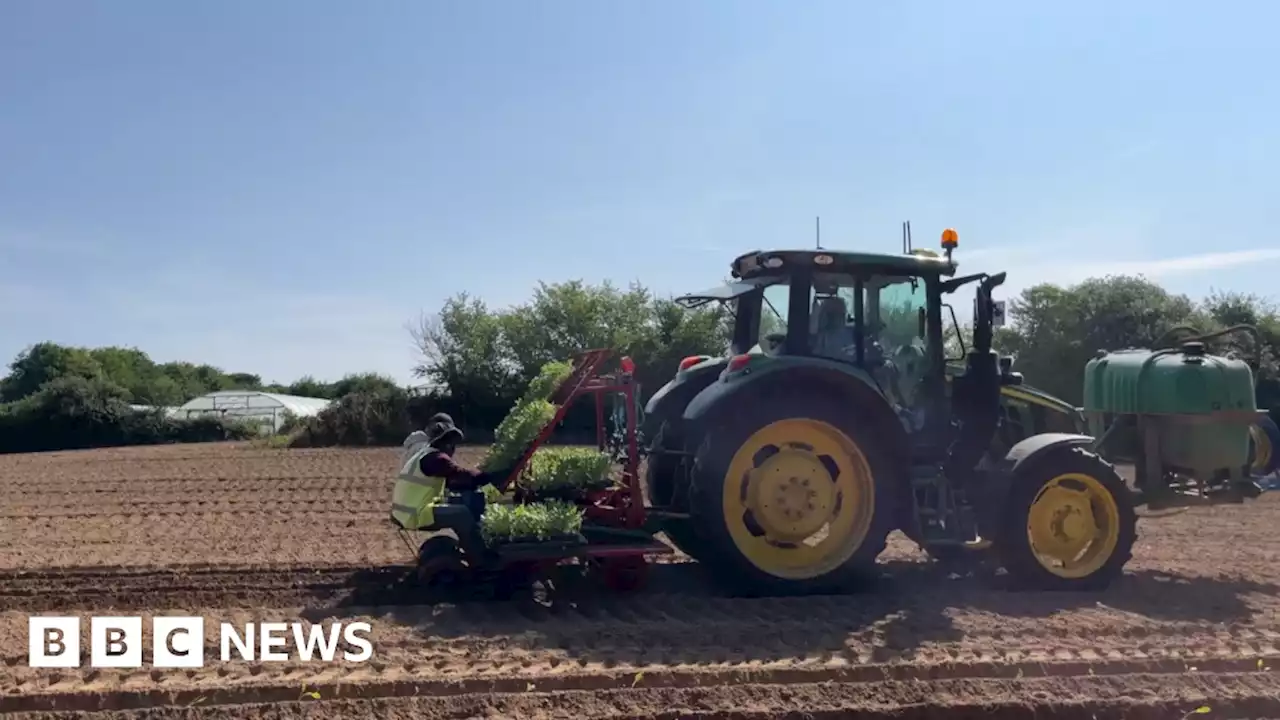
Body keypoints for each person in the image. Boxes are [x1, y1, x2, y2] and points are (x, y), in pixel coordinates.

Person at [391, 413, 521, 568]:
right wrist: (496, 475)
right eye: (452, 444)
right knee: (462, 514)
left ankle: (473, 547)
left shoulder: (425, 455)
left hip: (406, 510)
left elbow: (453, 482)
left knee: (459, 506)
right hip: (414, 514)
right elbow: (464, 475)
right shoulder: (437, 459)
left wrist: (473, 483)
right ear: (445, 443)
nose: (453, 448)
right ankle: (482, 560)